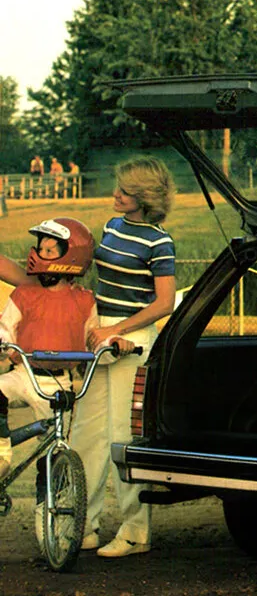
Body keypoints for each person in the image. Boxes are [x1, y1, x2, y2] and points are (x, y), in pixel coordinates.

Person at [71, 156, 176, 559]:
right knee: (86, 434)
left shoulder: (158, 241)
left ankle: (135, 531)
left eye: (125, 191)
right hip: (99, 334)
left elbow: (164, 303)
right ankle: (84, 524)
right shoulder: (111, 227)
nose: (116, 194)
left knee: (123, 437)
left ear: (144, 197)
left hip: (131, 340)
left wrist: (119, 330)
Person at [0, 219, 127, 548]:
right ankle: (1, 451)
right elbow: (6, 326)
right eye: (39, 247)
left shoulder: (84, 301)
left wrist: (113, 344)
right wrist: (3, 343)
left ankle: (50, 519)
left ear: (70, 256)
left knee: (52, 455)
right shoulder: (25, 293)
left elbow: (94, 338)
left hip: (61, 384)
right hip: (25, 373)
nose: (38, 253)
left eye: (47, 249)